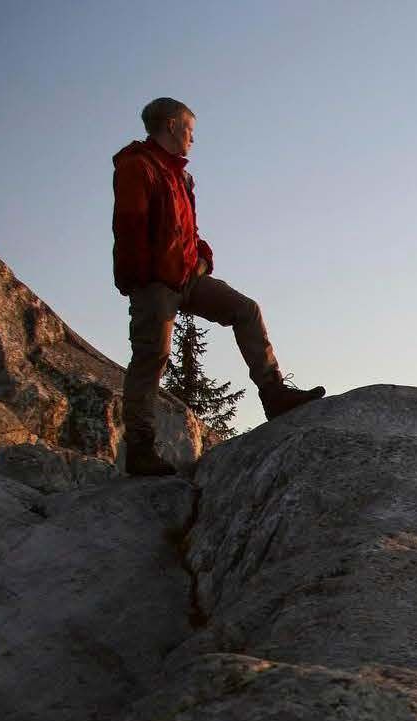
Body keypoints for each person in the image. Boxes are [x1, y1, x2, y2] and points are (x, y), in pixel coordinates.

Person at [112, 96, 323, 476]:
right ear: (172, 126)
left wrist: (202, 258)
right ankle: (140, 449)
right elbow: (129, 229)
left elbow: (187, 232)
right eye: (190, 130)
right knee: (151, 358)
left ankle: (274, 394)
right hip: (156, 282)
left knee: (246, 310)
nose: (193, 139)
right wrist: (143, 280)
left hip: (188, 276)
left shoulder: (178, 174)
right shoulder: (137, 167)